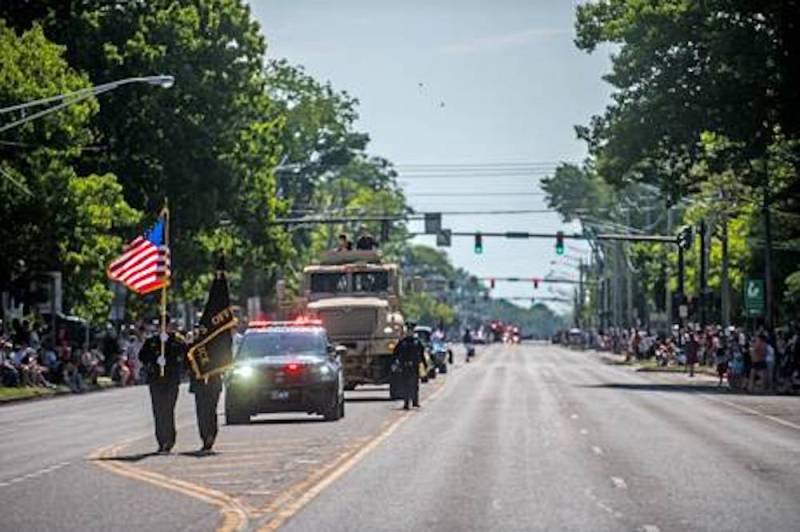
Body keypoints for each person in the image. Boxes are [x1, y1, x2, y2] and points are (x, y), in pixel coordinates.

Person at [139, 316, 186, 454]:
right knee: (158, 411)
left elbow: (183, 355)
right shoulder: (152, 341)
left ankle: (169, 440)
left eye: (166, 325)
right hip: (156, 381)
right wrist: (155, 360)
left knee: (168, 409)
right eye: (161, 326)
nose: (164, 328)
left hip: (171, 380)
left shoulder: (177, 341)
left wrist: (169, 357)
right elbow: (142, 356)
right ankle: (161, 441)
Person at [392, 322, 427, 410]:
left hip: (414, 366)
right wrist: (396, 363)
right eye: (408, 330)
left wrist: (424, 365)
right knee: (405, 385)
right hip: (404, 366)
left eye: (411, 331)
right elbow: (395, 354)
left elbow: (422, 354)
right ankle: (406, 403)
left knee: (415, 384)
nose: (410, 332)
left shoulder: (417, 342)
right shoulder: (402, 342)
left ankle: (415, 402)